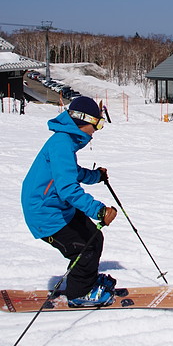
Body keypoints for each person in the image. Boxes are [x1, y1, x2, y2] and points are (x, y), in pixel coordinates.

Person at [21, 96, 119, 307]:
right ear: (84, 120)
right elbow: (67, 188)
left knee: (94, 238)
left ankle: (88, 281)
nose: (97, 130)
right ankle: (79, 293)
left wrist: (95, 176)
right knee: (85, 249)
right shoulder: (62, 144)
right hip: (45, 214)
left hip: (57, 207)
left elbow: (69, 173)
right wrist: (99, 211)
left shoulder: (65, 141)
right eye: (98, 124)